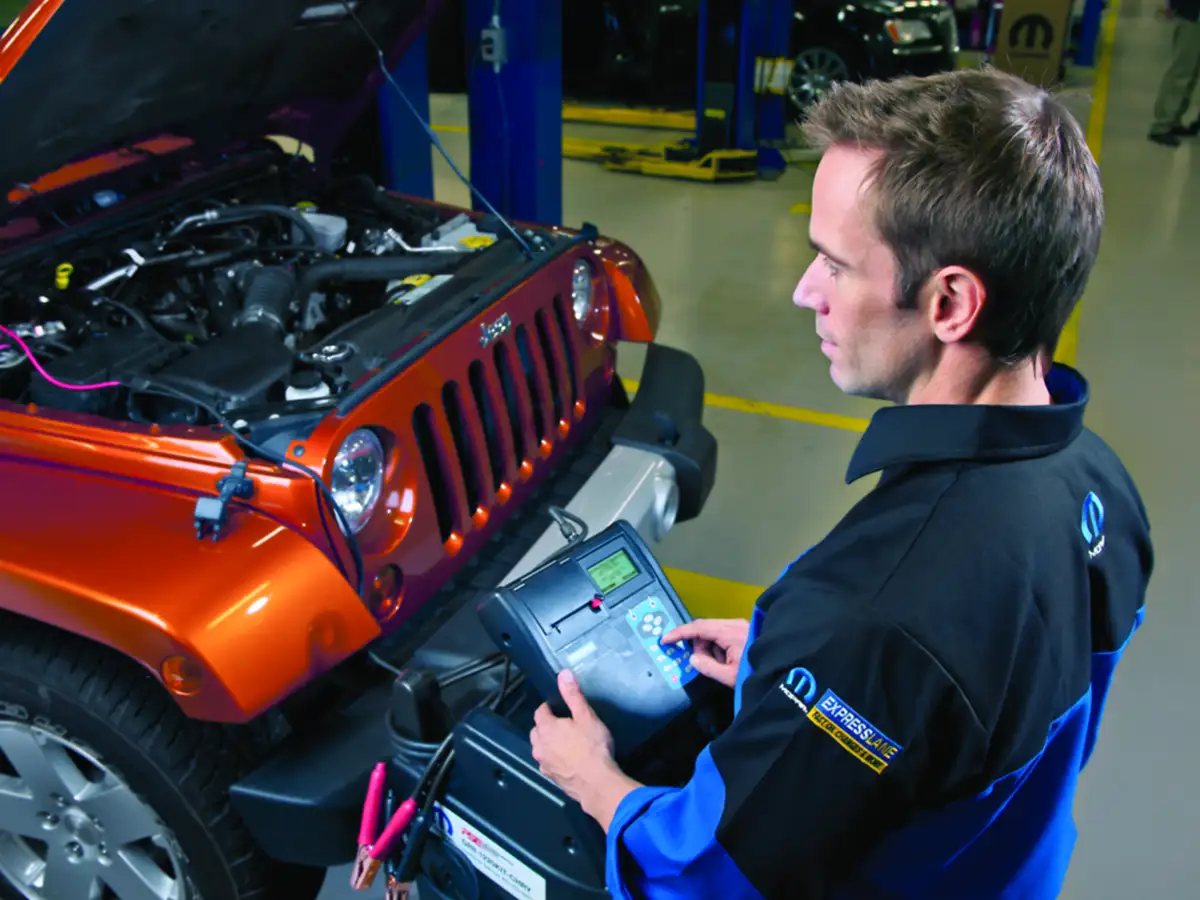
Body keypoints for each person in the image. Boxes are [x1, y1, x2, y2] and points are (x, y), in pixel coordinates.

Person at [528, 66, 1154, 899]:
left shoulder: (874, 614)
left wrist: (595, 781)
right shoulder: (1100, 483)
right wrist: (790, 680)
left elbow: (708, 874)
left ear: (951, 304)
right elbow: (989, 708)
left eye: (834, 263)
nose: (803, 290)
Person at [1148, 0, 1200, 145]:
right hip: (1192, 18)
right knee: (1182, 72)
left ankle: (1174, 119)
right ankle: (1162, 125)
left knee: (1191, 74)